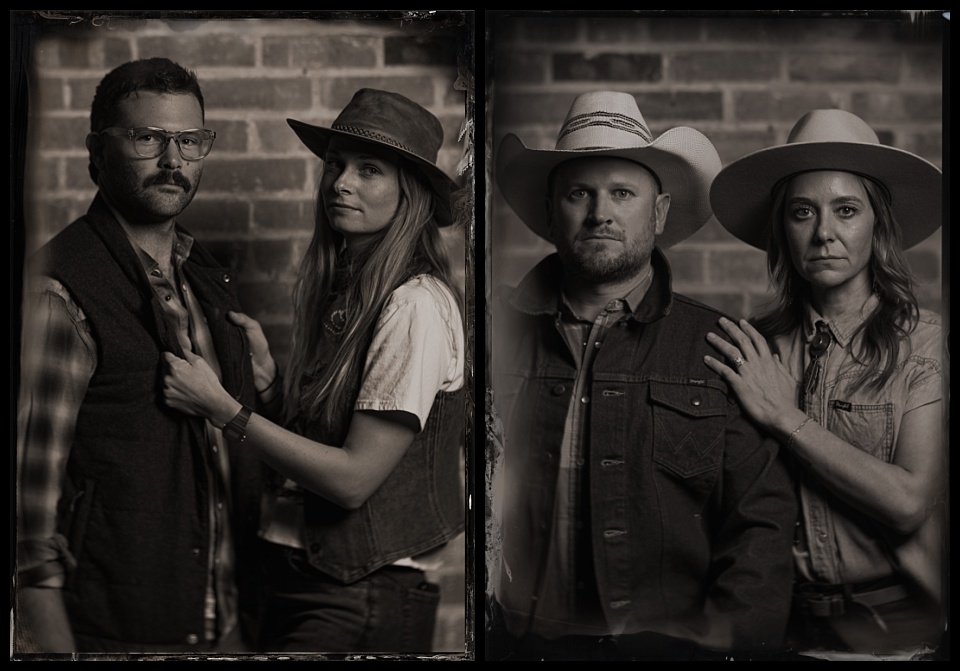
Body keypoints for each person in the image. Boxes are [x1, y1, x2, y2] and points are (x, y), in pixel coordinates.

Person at [487, 90, 798, 660]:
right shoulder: (490, 333)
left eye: (622, 193)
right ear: (552, 210)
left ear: (657, 213)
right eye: (581, 193)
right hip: (518, 642)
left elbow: (762, 526)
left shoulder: (721, 348)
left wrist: (721, 648)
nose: (600, 212)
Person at [161, 88, 467, 653]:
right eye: (335, 165)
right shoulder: (350, 287)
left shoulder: (414, 304)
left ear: (411, 193)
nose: (340, 183)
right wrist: (273, 386)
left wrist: (224, 410)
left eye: (368, 170)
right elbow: (330, 442)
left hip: (361, 594)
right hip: (298, 575)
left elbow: (352, 480)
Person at [15, 57, 266, 653]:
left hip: (220, 621)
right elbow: (26, 523)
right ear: (97, 152)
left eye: (189, 140)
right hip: (116, 628)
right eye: (147, 138)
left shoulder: (201, 275)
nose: (173, 161)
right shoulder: (61, 291)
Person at [705, 108, 945, 656]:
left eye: (846, 210)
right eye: (803, 212)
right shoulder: (753, 350)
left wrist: (786, 417)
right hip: (782, 633)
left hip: (898, 637)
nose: (824, 233)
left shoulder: (924, 344)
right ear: (781, 229)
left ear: (877, 224)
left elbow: (909, 501)